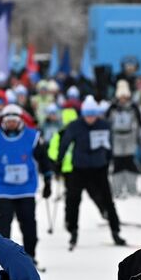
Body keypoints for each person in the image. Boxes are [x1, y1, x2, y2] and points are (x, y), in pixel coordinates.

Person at [53, 96, 125, 250]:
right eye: (87, 115)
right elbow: (65, 143)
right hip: (79, 169)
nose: (90, 118)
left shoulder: (104, 125)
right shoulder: (75, 126)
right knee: (73, 200)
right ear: (83, 114)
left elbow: (110, 144)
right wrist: (59, 161)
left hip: (99, 168)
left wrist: (108, 159)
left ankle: (115, 231)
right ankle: (72, 229)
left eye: (93, 115)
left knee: (108, 200)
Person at [0, 104, 47, 259]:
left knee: (28, 222)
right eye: (8, 121)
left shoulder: (32, 136)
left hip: (26, 188)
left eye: (14, 121)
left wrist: (48, 178)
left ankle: (30, 255)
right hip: (4, 189)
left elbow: (43, 158)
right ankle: (3, 256)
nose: (11, 124)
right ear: (4, 122)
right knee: (4, 223)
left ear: (20, 121)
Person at [107, 80, 141, 197]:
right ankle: (117, 189)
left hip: (130, 137)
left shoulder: (133, 108)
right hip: (117, 137)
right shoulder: (112, 108)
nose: (123, 98)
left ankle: (131, 188)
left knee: (129, 162)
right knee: (117, 163)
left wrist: (138, 137)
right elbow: (107, 123)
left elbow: (138, 124)